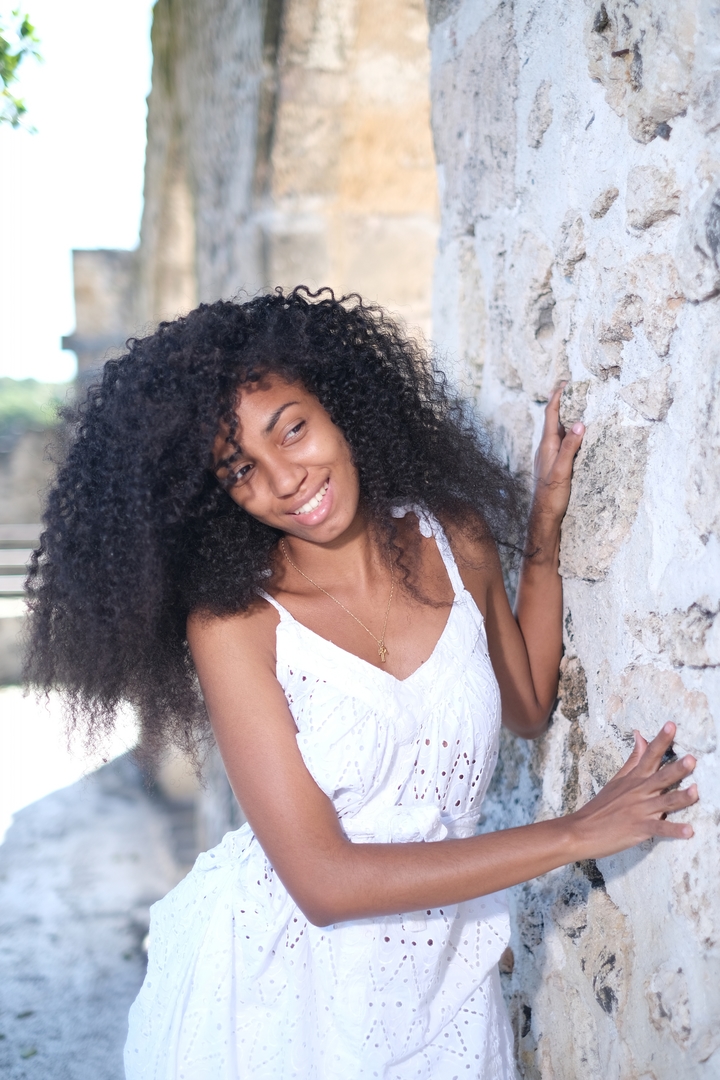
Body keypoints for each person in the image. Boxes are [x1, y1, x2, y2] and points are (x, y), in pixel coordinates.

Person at [25, 287, 698, 1080]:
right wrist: (578, 833)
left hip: (446, 982)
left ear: (337, 404)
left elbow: (526, 706)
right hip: (280, 999)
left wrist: (543, 535)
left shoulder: (456, 537)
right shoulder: (236, 623)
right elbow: (323, 883)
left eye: (293, 429)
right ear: (215, 494)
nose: (285, 479)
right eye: (241, 470)